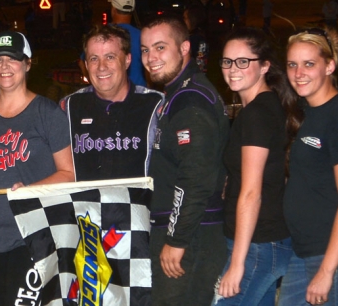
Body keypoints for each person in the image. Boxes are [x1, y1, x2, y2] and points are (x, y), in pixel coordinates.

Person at [0, 30, 74, 306]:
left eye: (13, 59)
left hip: (32, 235)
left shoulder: (48, 113)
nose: (4, 66)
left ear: (28, 63)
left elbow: (68, 174)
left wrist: (30, 190)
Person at [140, 15, 230, 305]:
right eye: (145, 50)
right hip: (183, 233)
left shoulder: (191, 100)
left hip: (192, 238)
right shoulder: (176, 95)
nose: (151, 58)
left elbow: (195, 178)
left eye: (160, 47)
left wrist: (176, 240)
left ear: (184, 48)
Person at [211, 27, 297, 306]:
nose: (233, 69)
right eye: (227, 61)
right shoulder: (263, 107)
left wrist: (237, 264)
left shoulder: (257, 114)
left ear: (264, 66)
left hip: (257, 244)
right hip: (265, 241)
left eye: (243, 61)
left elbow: (252, 193)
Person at [278, 27, 338, 306]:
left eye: (309, 64)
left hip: (332, 256)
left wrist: (327, 271)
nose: (298, 73)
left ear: (329, 65)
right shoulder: (303, 113)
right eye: (292, 65)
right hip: (302, 251)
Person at [61, 24, 164, 181]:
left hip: (139, 204)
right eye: (94, 59)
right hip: (84, 204)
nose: (102, 67)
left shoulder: (156, 106)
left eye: (110, 57)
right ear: (87, 65)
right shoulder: (68, 107)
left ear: (127, 60)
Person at [78, 0, 147, 88]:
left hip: (108, 93)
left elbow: (82, 62)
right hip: (139, 94)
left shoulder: (100, 35)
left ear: (113, 9)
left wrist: (94, 83)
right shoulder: (143, 36)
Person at [183, 5, 208, 73]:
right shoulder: (191, 37)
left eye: (185, 18)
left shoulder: (197, 39)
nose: (184, 21)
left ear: (192, 19)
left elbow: (201, 65)